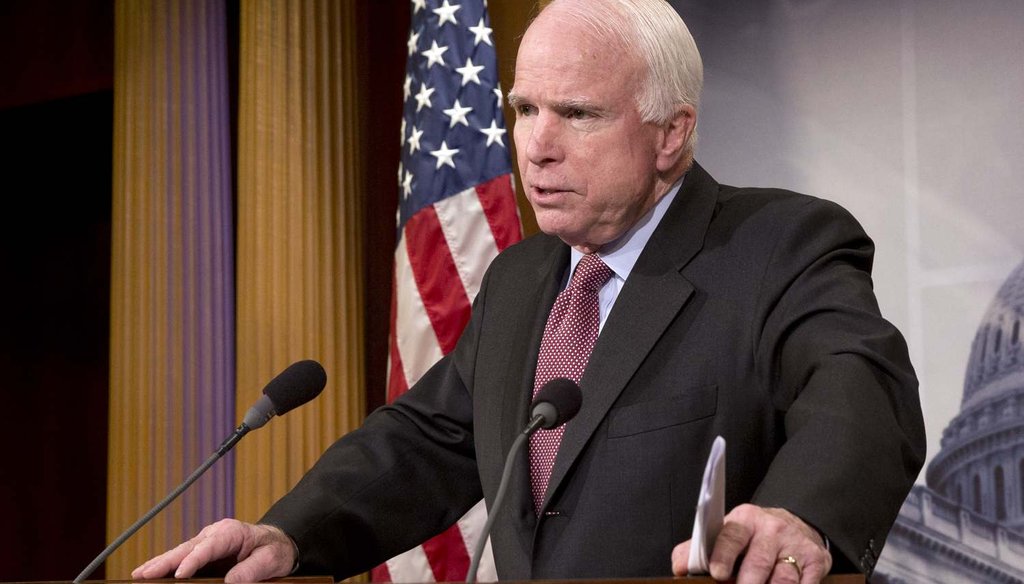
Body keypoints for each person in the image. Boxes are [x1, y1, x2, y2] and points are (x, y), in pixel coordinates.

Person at [133, 1, 926, 582]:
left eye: (578, 114)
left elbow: (861, 389)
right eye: (524, 109)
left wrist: (800, 514)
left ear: (671, 133)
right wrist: (290, 537)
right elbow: (426, 441)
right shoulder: (521, 278)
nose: (537, 146)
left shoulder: (775, 245)